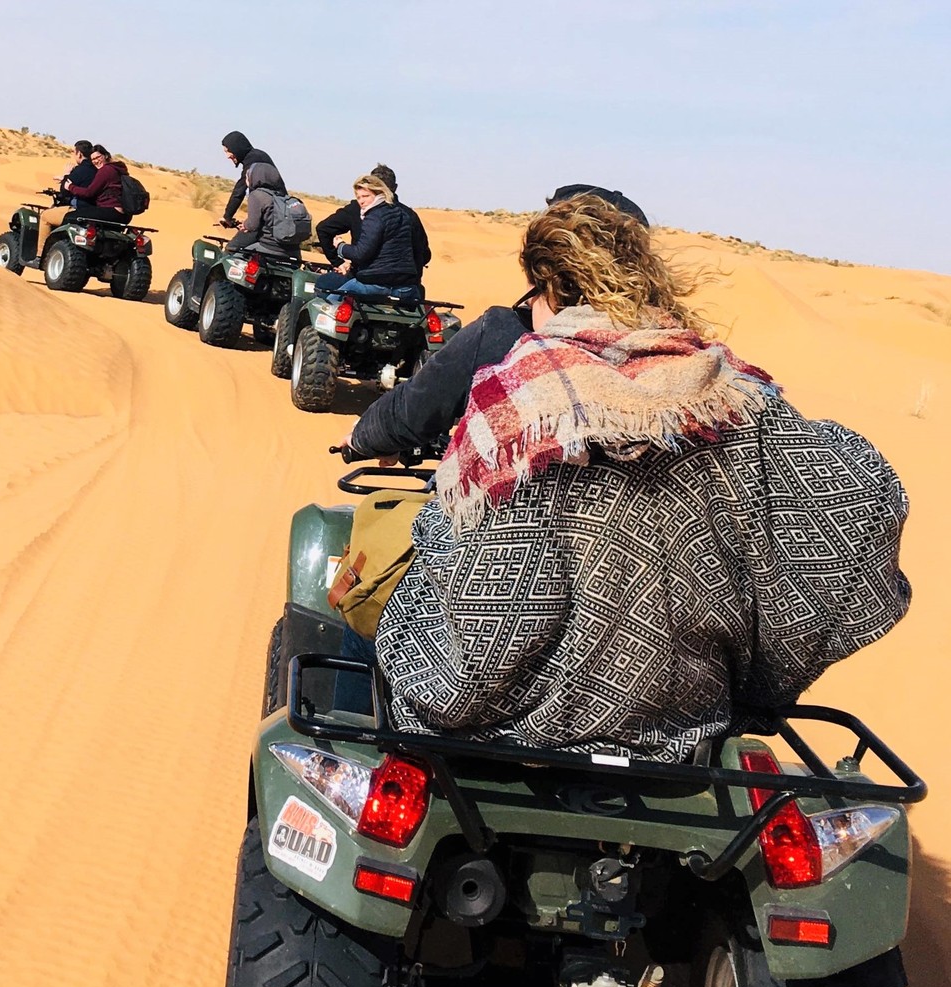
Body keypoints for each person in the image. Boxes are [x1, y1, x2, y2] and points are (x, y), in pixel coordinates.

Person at [370, 195, 911, 762]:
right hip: (685, 727)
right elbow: (863, 495)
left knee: (381, 615)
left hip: (519, 730)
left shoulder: (526, 398)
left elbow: (496, 618)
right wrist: (763, 676)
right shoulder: (726, 387)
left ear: (552, 288)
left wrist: (432, 532)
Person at [340, 187, 649, 462]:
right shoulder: (664, 346)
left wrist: (363, 438)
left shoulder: (507, 335)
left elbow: (415, 407)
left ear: (545, 271)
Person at [313, 174, 421, 302]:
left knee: (327, 305)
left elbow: (361, 253)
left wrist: (340, 246)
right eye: (358, 197)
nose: (361, 201)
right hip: (406, 288)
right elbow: (421, 252)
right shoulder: (405, 214)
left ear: (379, 193)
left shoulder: (374, 216)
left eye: (365, 196)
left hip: (375, 284)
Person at [224, 162, 301, 260]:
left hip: (269, 247)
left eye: (248, 176)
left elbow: (252, 225)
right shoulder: (284, 197)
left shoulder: (257, 195)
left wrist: (245, 225)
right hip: (294, 252)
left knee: (231, 253)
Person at [37, 140, 96, 251]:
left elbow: (64, 192)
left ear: (79, 154)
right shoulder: (97, 169)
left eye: (74, 152)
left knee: (45, 216)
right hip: (94, 210)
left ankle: (40, 253)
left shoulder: (80, 170)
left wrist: (66, 175)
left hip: (78, 209)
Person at [219, 131, 285, 226]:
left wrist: (227, 216)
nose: (228, 156)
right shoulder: (258, 155)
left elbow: (239, 190)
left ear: (237, 148)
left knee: (242, 236)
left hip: (274, 218)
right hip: (278, 211)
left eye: (228, 151)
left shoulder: (253, 160)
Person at [62, 144, 131, 226]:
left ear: (105, 156)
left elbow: (88, 192)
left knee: (69, 217)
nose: (96, 161)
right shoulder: (117, 169)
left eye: (98, 157)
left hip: (112, 211)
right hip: (124, 214)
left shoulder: (106, 170)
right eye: (93, 159)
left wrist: (70, 187)